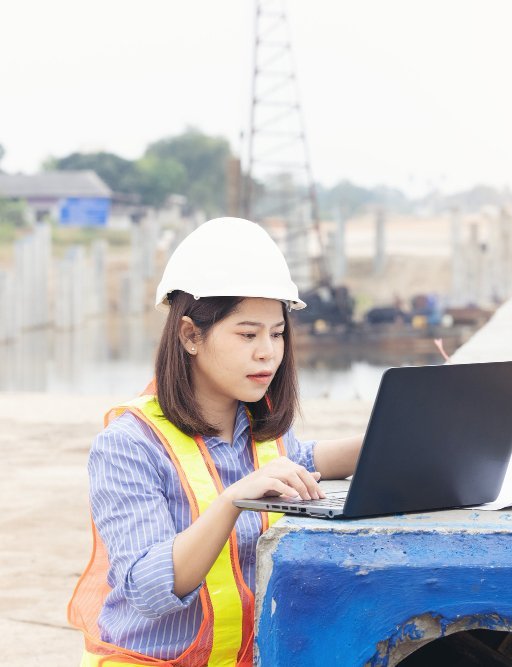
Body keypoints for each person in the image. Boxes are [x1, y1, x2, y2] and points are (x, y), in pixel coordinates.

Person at [67, 217, 364, 666]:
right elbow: (149, 588)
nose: (268, 352)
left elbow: (305, 459)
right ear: (190, 335)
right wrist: (231, 502)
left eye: (277, 333)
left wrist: (393, 438)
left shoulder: (256, 427)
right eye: (247, 334)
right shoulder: (129, 444)